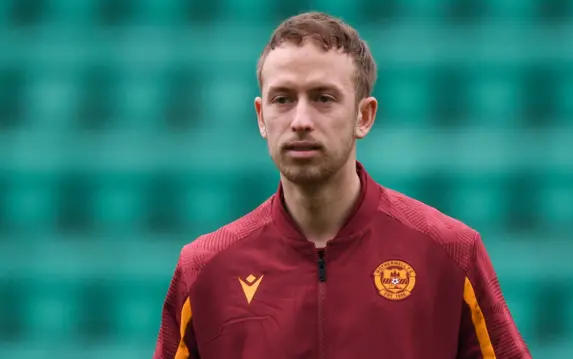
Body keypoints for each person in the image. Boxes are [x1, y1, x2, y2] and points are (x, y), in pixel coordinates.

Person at [153, 11, 531, 359]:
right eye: (283, 99)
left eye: (323, 98)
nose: (301, 120)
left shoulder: (450, 254)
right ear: (261, 116)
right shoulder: (204, 270)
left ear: (363, 116)